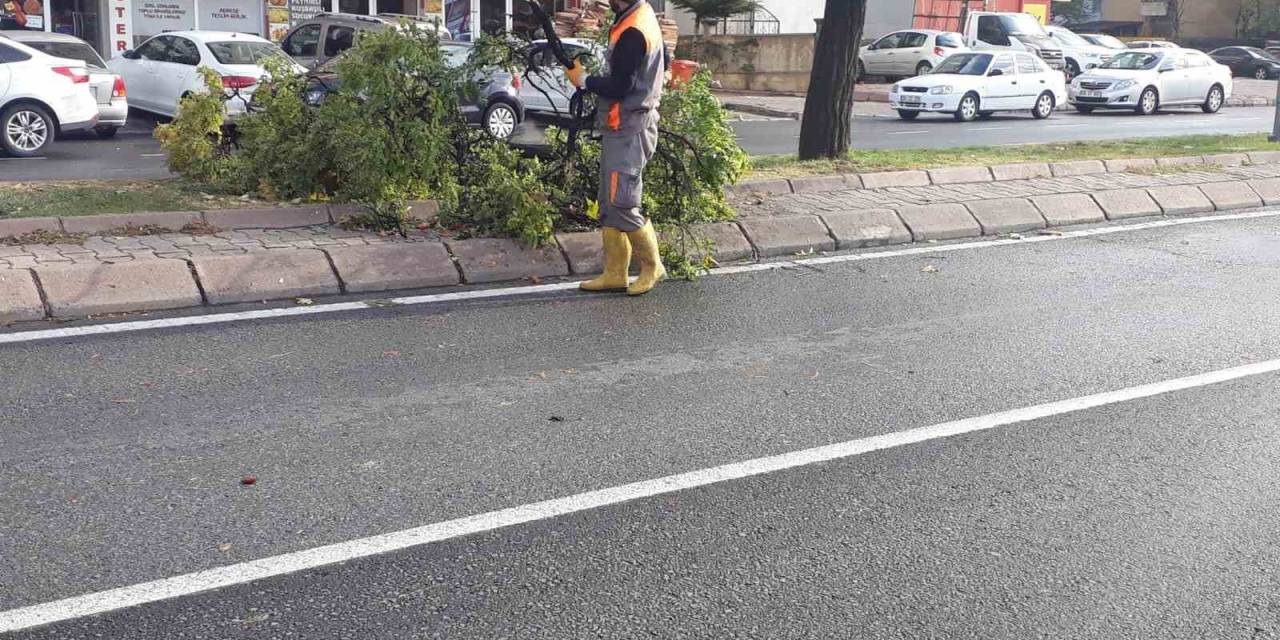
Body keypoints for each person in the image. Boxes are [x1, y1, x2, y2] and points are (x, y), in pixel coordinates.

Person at [565, 0, 665, 296]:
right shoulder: (636, 16)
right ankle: (614, 273)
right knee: (609, 202)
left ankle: (652, 266)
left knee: (622, 202)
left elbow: (621, 85)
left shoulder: (634, 29)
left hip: (630, 127)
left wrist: (584, 80)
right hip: (623, 124)